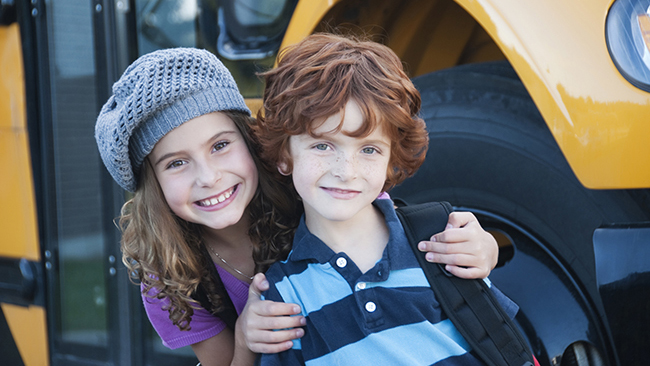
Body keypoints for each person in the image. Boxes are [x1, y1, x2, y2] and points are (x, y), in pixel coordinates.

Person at [94, 47, 499, 366]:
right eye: (176, 163)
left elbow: (405, 235)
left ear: (251, 140)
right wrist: (245, 339)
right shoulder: (171, 281)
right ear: (152, 186)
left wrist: (487, 249)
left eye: (220, 146)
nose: (209, 177)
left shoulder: (310, 186)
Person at [254, 33, 518, 366]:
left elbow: (502, 342)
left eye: (368, 149)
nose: (345, 171)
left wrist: (488, 250)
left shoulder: (438, 239)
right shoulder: (283, 295)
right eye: (322, 145)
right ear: (284, 155)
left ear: (391, 157)